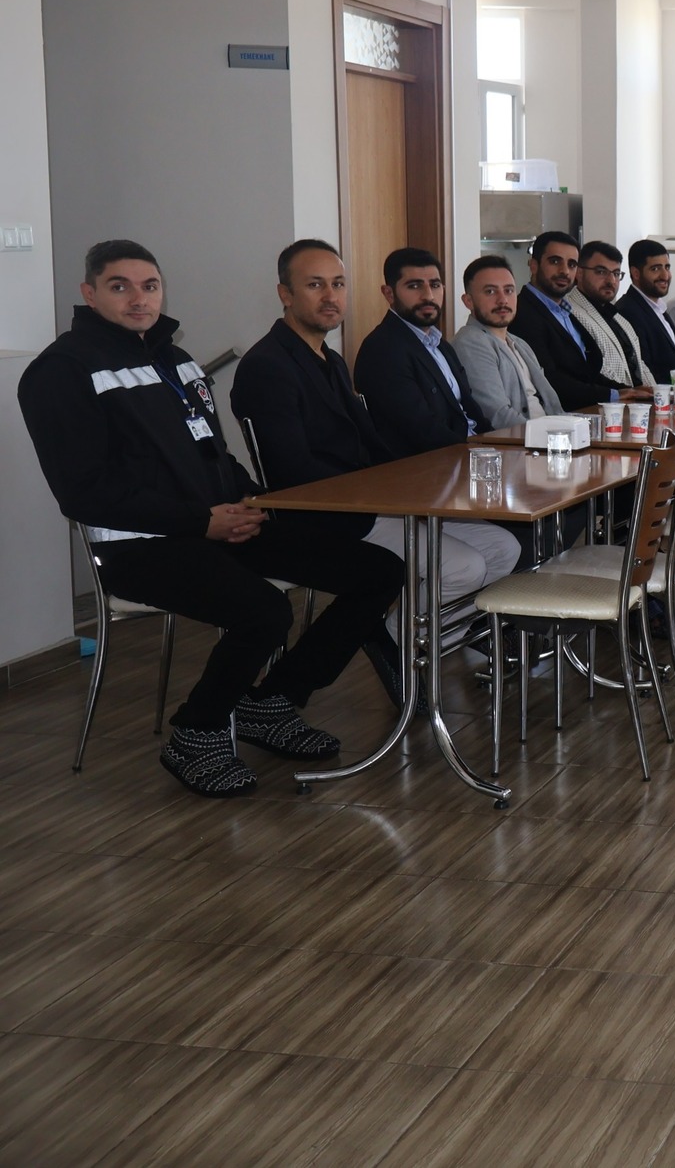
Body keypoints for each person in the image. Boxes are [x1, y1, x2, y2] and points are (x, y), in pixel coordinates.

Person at [20, 240, 403, 796]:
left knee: (378, 571)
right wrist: (200, 521)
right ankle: (196, 733)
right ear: (90, 293)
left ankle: (272, 701)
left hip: (218, 527)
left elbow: (213, 454)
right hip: (139, 546)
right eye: (120, 287)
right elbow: (84, 493)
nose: (138, 299)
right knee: (264, 611)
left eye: (150, 286)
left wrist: (248, 502)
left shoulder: (176, 361)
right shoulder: (61, 371)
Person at [237, 240, 523, 621]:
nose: (330, 296)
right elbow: (291, 469)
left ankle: (437, 644)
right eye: (315, 284)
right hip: (330, 513)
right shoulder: (267, 365)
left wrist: (403, 486)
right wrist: (378, 493)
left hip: (374, 501)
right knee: (464, 567)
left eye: (338, 284)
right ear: (285, 294)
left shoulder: (330, 359)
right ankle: (398, 644)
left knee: (504, 548)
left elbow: (370, 441)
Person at [353, 248, 490, 457]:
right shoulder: (382, 350)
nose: (428, 296)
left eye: (434, 285)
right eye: (414, 286)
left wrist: (498, 447)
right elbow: (421, 431)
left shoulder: (442, 346)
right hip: (429, 466)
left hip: (467, 455)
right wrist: (477, 455)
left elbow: (471, 411)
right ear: (389, 293)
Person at [509, 231, 633, 408]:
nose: (564, 271)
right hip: (556, 417)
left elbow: (586, 373)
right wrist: (613, 395)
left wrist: (627, 391)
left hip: (587, 413)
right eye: (555, 261)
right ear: (534, 265)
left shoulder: (565, 311)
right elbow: (548, 379)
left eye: (572, 264)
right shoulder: (522, 312)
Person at [452, 254, 564, 430]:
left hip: (549, 435)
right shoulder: (470, 341)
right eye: (490, 291)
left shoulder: (520, 344)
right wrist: (549, 436)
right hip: (522, 442)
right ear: (469, 301)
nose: (502, 300)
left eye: (509, 290)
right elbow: (497, 415)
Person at [566, 240, 652, 391]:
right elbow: (596, 370)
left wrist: (657, 395)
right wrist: (630, 394)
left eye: (616, 273)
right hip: (609, 400)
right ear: (579, 272)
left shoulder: (618, 317)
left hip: (636, 401)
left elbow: (639, 364)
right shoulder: (570, 313)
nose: (611, 281)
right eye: (601, 272)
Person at [619, 238, 675, 382]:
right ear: (636, 273)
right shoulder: (627, 311)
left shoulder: (659, 308)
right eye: (655, 269)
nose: (665, 276)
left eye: (667, 267)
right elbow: (644, 372)